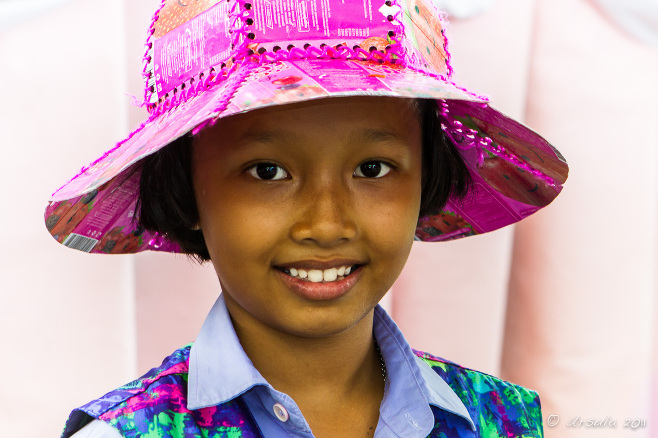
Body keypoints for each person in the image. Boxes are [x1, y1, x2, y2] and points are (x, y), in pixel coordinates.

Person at [45, 0, 568, 436]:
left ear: (425, 180)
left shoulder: (504, 420)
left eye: (372, 168)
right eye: (267, 172)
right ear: (188, 190)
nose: (325, 224)